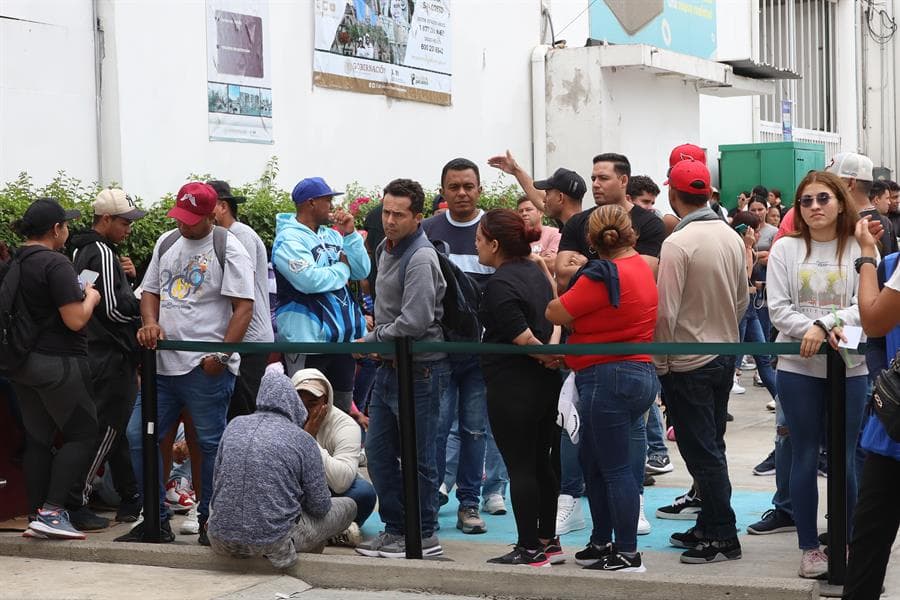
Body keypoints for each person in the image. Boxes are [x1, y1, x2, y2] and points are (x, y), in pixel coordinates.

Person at [121, 182, 254, 544]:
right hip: (162, 366)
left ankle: (212, 521)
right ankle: (155, 520)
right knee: (140, 436)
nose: (184, 225)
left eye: (192, 220)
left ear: (214, 213)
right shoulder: (166, 242)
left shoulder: (229, 248)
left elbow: (244, 308)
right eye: (180, 216)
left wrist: (222, 356)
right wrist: (150, 322)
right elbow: (150, 291)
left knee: (208, 445)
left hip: (205, 367)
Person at [767, 171, 869, 579]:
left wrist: (823, 323)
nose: (814, 207)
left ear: (841, 202)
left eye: (823, 198)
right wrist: (809, 328)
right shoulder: (784, 250)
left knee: (847, 458)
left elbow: (867, 303)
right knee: (804, 456)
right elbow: (777, 308)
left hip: (851, 366)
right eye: (806, 201)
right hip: (798, 368)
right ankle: (809, 546)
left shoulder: (860, 247)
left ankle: (845, 540)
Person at [547, 204, 659, 573]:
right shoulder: (641, 267)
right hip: (637, 373)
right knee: (598, 464)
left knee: (612, 469)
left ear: (591, 240)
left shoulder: (600, 275)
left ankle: (626, 551)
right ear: (631, 233)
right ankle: (602, 541)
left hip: (606, 375)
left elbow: (556, 312)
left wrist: (558, 276)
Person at [653, 158, 748, 564]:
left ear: (673, 196)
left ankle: (722, 532)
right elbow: (743, 298)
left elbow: (664, 313)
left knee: (700, 450)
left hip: (688, 361)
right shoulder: (728, 235)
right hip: (724, 353)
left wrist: (660, 364)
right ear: (708, 193)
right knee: (713, 447)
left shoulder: (677, 243)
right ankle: (711, 523)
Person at [355, 178, 450, 558]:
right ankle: (396, 528)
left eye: (399, 214)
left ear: (418, 217)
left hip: (422, 370)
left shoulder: (422, 257)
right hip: (390, 367)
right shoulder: (384, 246)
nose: (390, 220)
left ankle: (424, 533)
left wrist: (371, 341)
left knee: (420, 457)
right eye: (386, 212)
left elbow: (414, 321)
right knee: (378, 454)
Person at [475, 209, 563, 567]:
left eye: (480, 239)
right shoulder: (534, 272)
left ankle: (529, 546)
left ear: (495, 244)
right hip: (545, 384)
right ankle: (547, 538)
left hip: (514, 387)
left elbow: (523, 337)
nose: (476, 245)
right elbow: (555, 314)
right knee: (543, 463)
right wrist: (553, 352)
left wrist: (545, 355)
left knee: (521, 467)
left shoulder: (500, 284)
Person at [8, 199, 100, 540]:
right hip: (58, 363)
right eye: (65, 225)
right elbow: (75, 320)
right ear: (55, 230)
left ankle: (37, 513)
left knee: (38, 439)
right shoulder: (55, 264)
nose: (68, 230)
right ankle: (53, 512)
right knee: (83, 434)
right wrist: (90, 297)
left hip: (20, 364)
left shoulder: (15, 262)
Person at [207, 370, 356, 568]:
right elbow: (320, 507)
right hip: (276, 546)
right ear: (292, 401)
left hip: (219, 541)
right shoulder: (302, 439)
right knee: (349, 505)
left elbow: (217, 484)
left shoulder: (234, 425)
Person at [67, 188, 146, 529]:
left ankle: (130, 497)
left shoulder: (79, 248)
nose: (129, 228)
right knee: (108, 428)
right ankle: (75, 500)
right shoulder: (100, 250)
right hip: (111, 354)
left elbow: (87, 294)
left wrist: (126, 280)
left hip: (88, 350)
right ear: (106, 219)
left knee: (106, 429)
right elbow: (113, 309)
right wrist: (146, 316)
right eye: (125, 221)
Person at [421, 158, 491, 535]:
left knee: (475, 431)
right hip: (440, 354)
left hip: (481, 356)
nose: (462, 193)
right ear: (443, 190)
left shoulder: (493, 228)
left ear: (479, 189)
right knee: (436, 429)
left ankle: (470, 504)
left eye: (469, 186)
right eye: (454, 187)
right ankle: (428, 504)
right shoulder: (428, 231)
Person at [272, 176, 371, 414]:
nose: (333, 206)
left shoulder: (334, 235)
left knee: (341, 414)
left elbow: (362, 270)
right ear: (311, 203)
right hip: (307, 343)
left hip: (342, 343)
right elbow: (310, 280)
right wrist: (342, 268)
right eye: (328, 200)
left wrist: (350, 236)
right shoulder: (287, 239)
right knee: (307, 415)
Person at [843, 214, 900, 599]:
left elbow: (874, 321)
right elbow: (879, 344)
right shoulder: (892, 267)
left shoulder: (889, 267)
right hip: (892, 431)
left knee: (868, 542)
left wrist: (867, 255)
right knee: (868, 541)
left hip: (893, 433)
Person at [209, 180, 274, 419]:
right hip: (239, 339)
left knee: (244, 412)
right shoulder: (224, 236)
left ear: (223, 206)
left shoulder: (240, 236)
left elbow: (240, 287)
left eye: (208, 204)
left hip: (250, 339)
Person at [556, 152, 665, 289]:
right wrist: (611, 270)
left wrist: (586, 265)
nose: (595, 184)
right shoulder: (577, 222)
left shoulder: (650, 224)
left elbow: (640, 277)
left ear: (623, 181)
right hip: (582, 307)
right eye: (593, 178)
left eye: (603, 178)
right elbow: (562, 278)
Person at [291, 367, 376, 540]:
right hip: (294, 493)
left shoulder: (345, 425)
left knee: (363, 493)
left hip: (329, 493)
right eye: (300, 403)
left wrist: (309, 440)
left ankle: (315, 529)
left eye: (312, 403)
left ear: (326, 401)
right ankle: (331, 531)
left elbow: (341, 483)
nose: (305, 410)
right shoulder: (283, 419)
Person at [825, 152, 898, 255]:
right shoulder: (885, 222)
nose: (827, 188)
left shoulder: (848, 223)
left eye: (833, 182)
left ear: (850, 184)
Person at [516, 196, 560, 274]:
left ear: (540, 213)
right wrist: (541, 258)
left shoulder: (554, 233)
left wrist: (521, 260)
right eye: (520, 211)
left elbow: (552, 263)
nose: (524, 213)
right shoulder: (515, 237)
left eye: (528, 210)